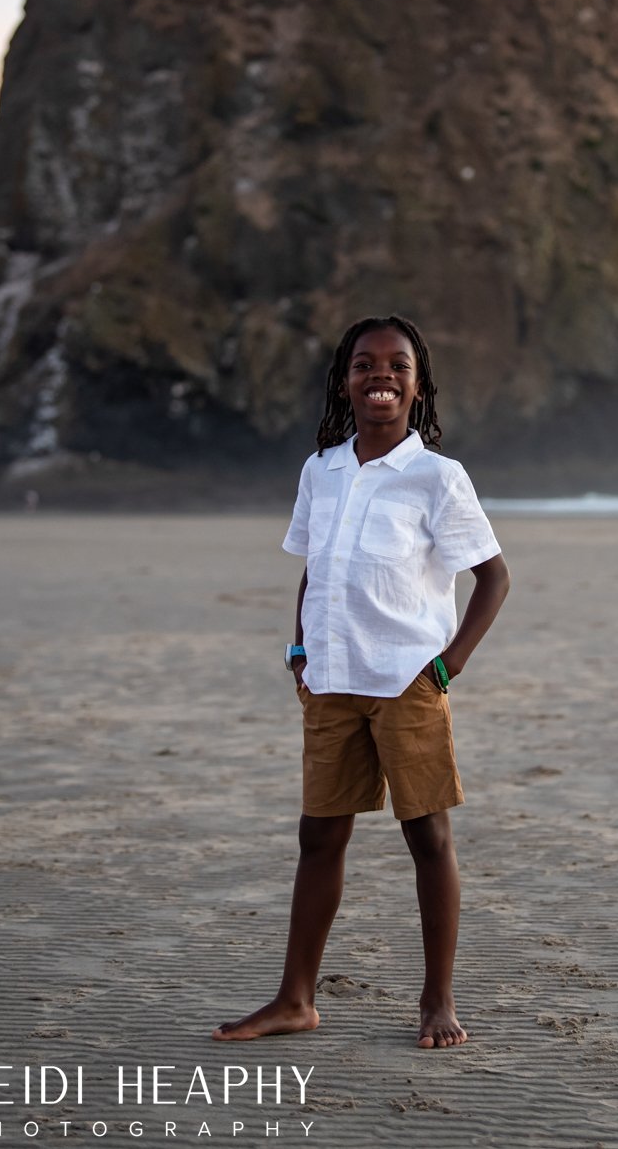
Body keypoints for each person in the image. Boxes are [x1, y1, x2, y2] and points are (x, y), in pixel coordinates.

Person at [213, 314, 510, 1049]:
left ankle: (436, 1002)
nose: (380, 375)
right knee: (319, 837)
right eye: (364, 364)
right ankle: (294, 999)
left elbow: (493, 577)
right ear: (344, 381)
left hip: (407, 678)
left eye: (397, 365)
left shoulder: (437, 478)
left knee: (427, 837)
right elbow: (318, 567)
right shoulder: (322, 470)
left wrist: (449, 664)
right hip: (331, 678)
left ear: (417, 385)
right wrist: (299, 651)